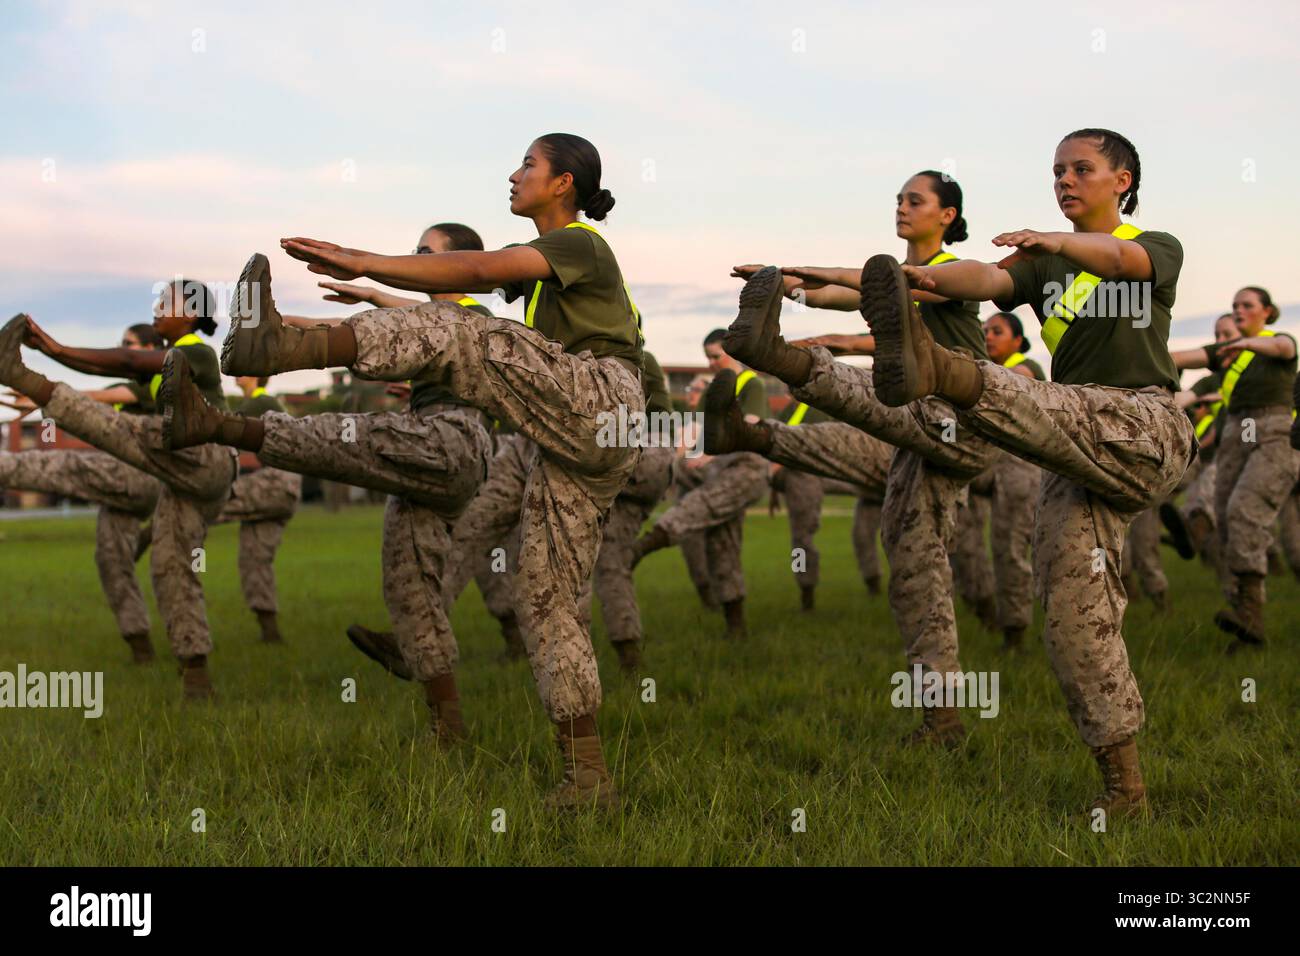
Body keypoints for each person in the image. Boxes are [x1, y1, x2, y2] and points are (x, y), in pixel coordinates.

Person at [727, 129, 1195, 817]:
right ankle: (1126, 788)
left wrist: (1053, 241)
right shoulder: (1039, 266)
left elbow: (1122, 259)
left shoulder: (1155, 246)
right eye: (1057, 169)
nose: (1065, 179)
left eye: (1082, 169)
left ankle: (930, 371)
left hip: (1142, 428)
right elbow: (968, 278)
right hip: (1071, 456)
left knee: (1000, 394)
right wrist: (809, 276)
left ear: (1123, 180)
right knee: (1071, 619)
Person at [207, 134, 642, 809]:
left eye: (528, 163)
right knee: (546, 597)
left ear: (565, 183)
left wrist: (362, 260)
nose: (513, 173)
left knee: (456, 329)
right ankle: (588, 776)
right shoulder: (542, 279)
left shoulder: (580, 243)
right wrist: (373, 292)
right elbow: (467, 290)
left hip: (603, 398)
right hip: (579, 435)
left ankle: (286, 348)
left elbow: (464, 280)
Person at [160, 222, 494, 739]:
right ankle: (447, 728)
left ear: (460, 264)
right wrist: (282, 321)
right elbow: (400, 321)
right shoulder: (436, 317)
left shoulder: (471, 316)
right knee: (410, 587)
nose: (415, 258)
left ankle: (215, 421)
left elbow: (419, 323)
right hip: (432, 463)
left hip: (452, 444)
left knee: (336, 437)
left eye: (426, 253)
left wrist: (371, 294)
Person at [729, 169, 994, 746]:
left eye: (915, 200)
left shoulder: (950, 273)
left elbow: (883, 295)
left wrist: (809, 300)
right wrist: (786, 285)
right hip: (917, 431)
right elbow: (840, 295)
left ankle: (784, 367)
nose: (901, 207)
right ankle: (942, 719)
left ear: (947, 215)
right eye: (898, 199)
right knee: (912, 558)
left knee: (848, 386)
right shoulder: (887, 284)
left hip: (960, 421)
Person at [0, 280, 237, 700]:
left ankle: (21, 376)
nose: (158, 307)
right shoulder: (158, 364)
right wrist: (53, 351)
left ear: (192, 313)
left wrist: (53, 350)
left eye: (167, 301)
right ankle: (197, 677)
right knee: (169, 567)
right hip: (183, 480)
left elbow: (127, 357)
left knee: (118, 430)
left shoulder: (195, 352)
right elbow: (111, 368)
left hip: (206, 457)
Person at [0, 323, 165, 663]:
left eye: (130, 345)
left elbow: (105, 398)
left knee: (65, 466)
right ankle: (140, 647)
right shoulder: (126, 382)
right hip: (123, 490)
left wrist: (41, 393)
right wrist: (43, 398)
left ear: (150, 349)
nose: (124, 350)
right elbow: (94, 407)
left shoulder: (161, 378)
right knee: (111, 559)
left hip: (144, 478)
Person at [1170, 286, 1298, 650]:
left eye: (1247, 305)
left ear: (1267, 312)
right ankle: (1245, 621)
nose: (1239, 311)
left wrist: (1246, 343)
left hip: (1272, 435)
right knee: (1226, 521)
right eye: (1235, 306)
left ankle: (1250, 614)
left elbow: (1284, 349)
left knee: (1244, 511)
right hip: (1235, 435)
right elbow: (1180, 356)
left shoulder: (1277, 342)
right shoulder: (1225, 354)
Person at [627, 330, 769, 639]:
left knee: (700, 507)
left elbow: (751, 426)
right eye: (707, 357)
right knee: (722, 539)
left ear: (732, 353)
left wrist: (706, 456)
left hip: (744, 466)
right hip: (717, 467)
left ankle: (642, 547)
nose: (711, 363)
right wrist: (672, 460)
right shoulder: (710, 391)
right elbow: (693, 430)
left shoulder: (751, 385)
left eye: (716, 356)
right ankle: (735, 624)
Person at [213, 376, 303, 643]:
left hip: (278, 482)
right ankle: (270, 633)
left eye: (244, 368)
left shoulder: (261, 401)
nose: (236, 373)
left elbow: (220, 429)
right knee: (254, 558)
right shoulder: (258, 402)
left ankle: (148, 536)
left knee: (205, 505)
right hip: (282, 487)